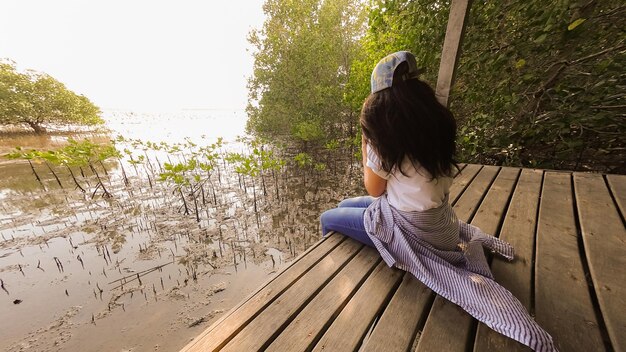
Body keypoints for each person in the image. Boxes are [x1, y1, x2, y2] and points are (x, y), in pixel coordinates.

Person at [321, 51, 556, 352]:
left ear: (382, 107)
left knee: (329, 217)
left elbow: (375, 189)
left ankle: (329, 272)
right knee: (346, 204)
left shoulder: (385, 140)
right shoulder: (437, 129)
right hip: (440, 224)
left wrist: (366, 143)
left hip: (409, 231)